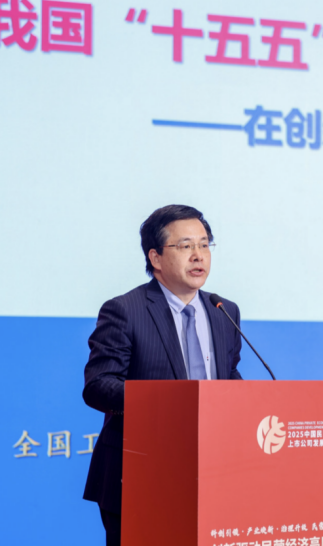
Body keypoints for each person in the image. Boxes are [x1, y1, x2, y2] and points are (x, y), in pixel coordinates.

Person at [81, 205, 243, 546]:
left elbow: (228, 375)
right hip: (140, 475)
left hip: (212, 471)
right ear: (155, 257)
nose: (198, 255)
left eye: (204, 245)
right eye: (185, 246)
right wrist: (172, 401)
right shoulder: (125, 310)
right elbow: (98, 385)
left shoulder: (223, 310)